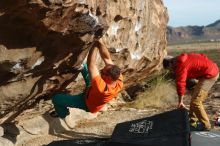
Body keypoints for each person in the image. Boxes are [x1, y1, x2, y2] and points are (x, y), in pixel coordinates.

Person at [51, 40, 123, 128]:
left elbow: (91, 65)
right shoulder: (118, 78)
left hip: (86, 103)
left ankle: (64, 114)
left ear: (109, 78)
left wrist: (95, 46)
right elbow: (107, 58)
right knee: (83, 66)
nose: (100, 71)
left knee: (56, 98)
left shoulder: (102, 89)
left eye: (102, 72)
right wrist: (100, 42)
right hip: (92, 90)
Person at [163, 53, 219, 131]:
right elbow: (202, 56)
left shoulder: (180, 66)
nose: (172, 71)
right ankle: (193, 121)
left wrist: (180, 101)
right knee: (194, 98)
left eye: (170, 69)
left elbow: (180, 83)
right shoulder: (183, 58)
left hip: (210, 75)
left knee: (196, 102)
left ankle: (206, 125)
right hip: (209, 71)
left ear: (170, 63)